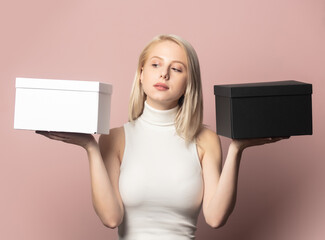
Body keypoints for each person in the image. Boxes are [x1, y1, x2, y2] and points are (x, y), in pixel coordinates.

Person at [36, 34, 287, 240]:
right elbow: (111, 219)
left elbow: (215, 218)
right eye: (155, 65)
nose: (164, 74)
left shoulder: (206, 139)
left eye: (176, 69)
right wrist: (90, 147)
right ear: (141, 73)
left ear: (189, 83)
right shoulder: (114, 138)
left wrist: (236, 150)